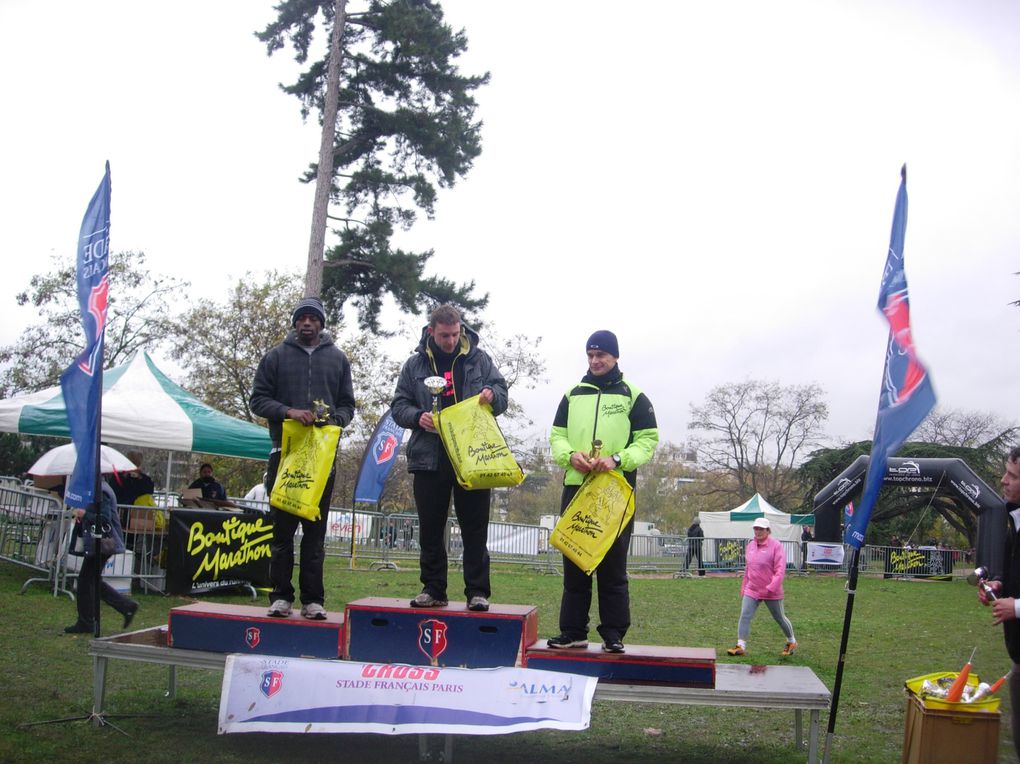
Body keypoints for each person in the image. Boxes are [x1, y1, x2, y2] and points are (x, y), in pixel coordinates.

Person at [546, 330, 659, 654]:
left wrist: (618, 459)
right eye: (590, 355)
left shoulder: (633, 396)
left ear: (615, 357)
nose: (595, 361)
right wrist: (571, 456)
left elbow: (648, 439)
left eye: (601, 356)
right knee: (574, 559)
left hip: (615, 491)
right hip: (576, 486)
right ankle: (573, 631)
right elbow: (557, 437)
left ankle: (613, 633)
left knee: (612, 565)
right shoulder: (572, 395)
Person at [391, 303, 508, 612]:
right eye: (444, 335)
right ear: (432, 331)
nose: (450, 341)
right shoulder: (415, 366)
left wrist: (492, 396)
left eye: (455, 334)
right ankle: (433, 589)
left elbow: (501, 392)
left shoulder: (479, 359)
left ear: (461, 330)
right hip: (430, 457)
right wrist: (418, 417)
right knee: (430, 527)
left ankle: (477, 592)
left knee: (475, 526)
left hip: (473, 454)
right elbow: (398, 405)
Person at [251, 296, 355, 620]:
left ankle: (313, 601)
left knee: (315, 535)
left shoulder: (338, 360)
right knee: (282, 534)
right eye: (302, 318)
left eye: (313, 318)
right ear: (295, 323)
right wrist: (288, 412)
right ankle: (280, 597)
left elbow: (348, 406)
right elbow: (258, 400)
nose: (307, 323)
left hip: (320, 460)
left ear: (322, 323)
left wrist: (335, 420)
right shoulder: (276, 357)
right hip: (284, 454)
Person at [976, 445, 1020, 758]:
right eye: (1005, 471)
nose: (1003, 480)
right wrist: (998, 586)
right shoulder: (1013, 525)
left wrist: (1016, 607)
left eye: (1013, 476)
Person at [64, 481, 139, 634]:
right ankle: (126, 607)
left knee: (86, 581)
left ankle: (87, 622)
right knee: (91, 580)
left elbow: (104, 518)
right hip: (98, 542)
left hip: (102, 543)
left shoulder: (101, 491)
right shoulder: (98, 488)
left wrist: (85, 514)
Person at [726, 517, 797, 657]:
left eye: (761, 529)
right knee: (745, 615)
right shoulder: (750, 545)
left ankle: (791, 641)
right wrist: (744, 586)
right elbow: (748, 568)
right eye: (756, 528)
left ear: (768, 531)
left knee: (779, 617)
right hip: (752, 589)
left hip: (771, 590)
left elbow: (780, 570)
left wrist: (771, 587)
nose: (758, 531)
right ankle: (741, 645)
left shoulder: (776, 546)